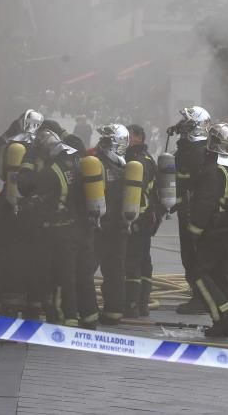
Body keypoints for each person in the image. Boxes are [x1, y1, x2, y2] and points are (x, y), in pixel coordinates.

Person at [17, 126, 94, 325]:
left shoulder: (50, 172)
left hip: (60, 231)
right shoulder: (78, 161)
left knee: (62, 277)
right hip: (82, 229)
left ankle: (64, 319)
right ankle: (89, 317)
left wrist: (29, 159)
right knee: (84, 276)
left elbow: (25, 187)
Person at [187, 122, 228, 337]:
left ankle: (223, 315)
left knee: (198, 274)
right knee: (221, 275)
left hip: (212, 230)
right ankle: (226, 325)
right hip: (227, 230)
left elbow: (204, 203)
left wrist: (194, 231)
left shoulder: (211, 169)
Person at [0, 110, 42, 316]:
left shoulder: (10, 144)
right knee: (32, 256)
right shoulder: (41, 146)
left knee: (1, 254)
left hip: (7, 207)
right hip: (33, 209)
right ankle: (31, 301)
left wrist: (11, 132)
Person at [169, 106, 212, 314]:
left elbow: (186, 183)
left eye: (186, 124)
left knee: (193, 256)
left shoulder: (195, 152)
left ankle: (201, 299)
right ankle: (201, 294)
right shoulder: (196, 149)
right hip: (189, 210)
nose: (181, 128)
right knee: (194, 255)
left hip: (192, 213)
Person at [94, 123, 129, 325]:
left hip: (99, 226)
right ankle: (114, 312)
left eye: (105, 140)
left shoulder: (95, 165)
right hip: (120, 228)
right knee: (115, 271)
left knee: (85, 268)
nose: (101, 143)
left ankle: (84, 309)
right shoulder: (127, 168)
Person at [124, 124, 159, 319]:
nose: (126, 139)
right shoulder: (149, 158)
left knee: (132, 261)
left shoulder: (133, 160)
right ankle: (143, 304)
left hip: (136, 218)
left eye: (129, 135)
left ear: (138, 137)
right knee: (144, 260)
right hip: (148, 217)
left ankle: (131, 305)